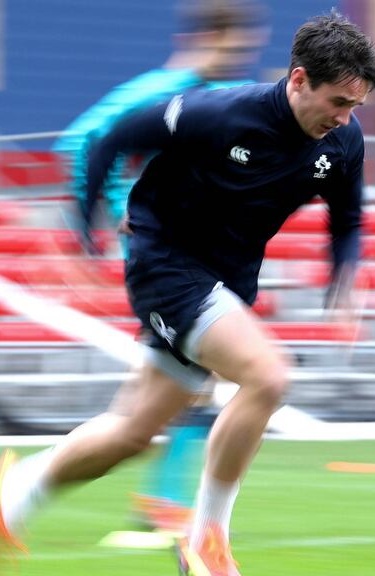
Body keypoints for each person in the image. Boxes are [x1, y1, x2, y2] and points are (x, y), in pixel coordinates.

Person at [0, 11, 375, 576]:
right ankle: (207, 541)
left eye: (355, 106)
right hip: (166, 267)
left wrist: (343, 276)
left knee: (131, 432)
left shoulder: (343, 142)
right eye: (337, 102)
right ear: (299, 79)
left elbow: (347, 220)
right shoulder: (220, 112)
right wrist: (85, 230)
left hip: (226, 282)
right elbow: (108, 140)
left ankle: (8, 500)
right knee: (270, 376)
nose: (345, 118)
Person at [50, 0, 268, 532]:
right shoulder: (161, 88)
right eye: (240, 46)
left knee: (176, 393)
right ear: (214, 37)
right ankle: (160, 502)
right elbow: (82, 141)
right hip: (162, 261)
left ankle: (158, 501)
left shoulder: (210, 96)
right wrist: (96, 222)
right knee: (177, 392)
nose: (244, 56)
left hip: (194, 257)